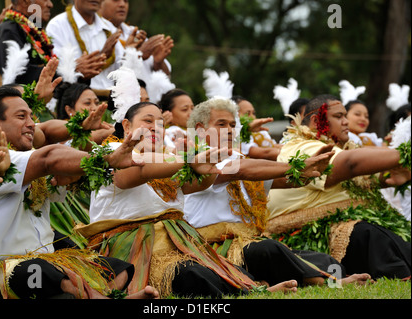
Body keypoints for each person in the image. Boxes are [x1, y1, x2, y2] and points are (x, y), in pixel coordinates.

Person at [80, 101, 305, 298]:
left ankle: (252, 289)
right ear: (127, 126)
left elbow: (196, 184)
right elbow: (137, 173)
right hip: (133, 245)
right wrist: (189, 161)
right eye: (147, 120)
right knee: (189, 273)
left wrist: (204, 169)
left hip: (177, 241)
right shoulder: (112, 151)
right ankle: (250, 291)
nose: (155, 127)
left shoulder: (170, 157)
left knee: (214, 267)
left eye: (160, 122)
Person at [0, 86, 160, 299]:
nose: (31, 124)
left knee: (114, 269)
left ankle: (102, 296)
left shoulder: (24, 159)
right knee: (38, 271)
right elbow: (48, 158)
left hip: (41, 262)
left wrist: (69, 177)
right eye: (21, 117)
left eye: (31, 117)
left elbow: (55, 177)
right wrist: (106, 159)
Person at [183, 97, 372, 288]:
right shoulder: (197, 158)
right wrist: (295, 166)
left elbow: (284, 180)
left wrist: (308, 172)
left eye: (233, 124)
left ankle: (297, 280)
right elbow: (241, 169)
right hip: (215, 248)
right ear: (200, 129)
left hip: (248, 242)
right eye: (221, 124)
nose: (230, 130)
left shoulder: (235, 157)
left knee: (322, 259)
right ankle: (323, 283)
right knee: (267, 250)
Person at [266, 94, 411, 280]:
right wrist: (403, 154)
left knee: (392, 230)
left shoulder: (341, 149)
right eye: (339, 116)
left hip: (345, 224)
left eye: (345, 116)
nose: (346, 122)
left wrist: (395, 174)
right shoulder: (302, 146)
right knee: (367, 233)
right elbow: (351, 164)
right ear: (317, 120)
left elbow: (375, 176)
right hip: (303, 234)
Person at [46, 0, 124, 101]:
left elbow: (123, 69)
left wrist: (137, 54)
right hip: (74, 103)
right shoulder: (57, 26)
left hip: (110, 102)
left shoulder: (109, 28)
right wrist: (75, 68)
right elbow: (54, 70)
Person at [0, 0, 56, 91]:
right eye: (45, 0)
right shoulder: (7, 31)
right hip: (12, 103)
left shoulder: (35, 32)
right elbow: (17, 76)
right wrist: (61, 75)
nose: (50, 4)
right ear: (25, 1)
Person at [98, 0, 173, 76]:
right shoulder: (95, 31)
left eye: (126, 1)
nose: (122, 4)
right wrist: (137, 55)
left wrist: (158, 62)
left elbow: (167, 76)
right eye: (116, 0)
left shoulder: (134, 32)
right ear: (100, 3)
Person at [231, 95, 280, 161]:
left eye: (253, 113)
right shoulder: (234, 138)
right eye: (247, 114)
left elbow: (275, 146)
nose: (252, 117)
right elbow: (265, 153)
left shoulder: (260, 134)